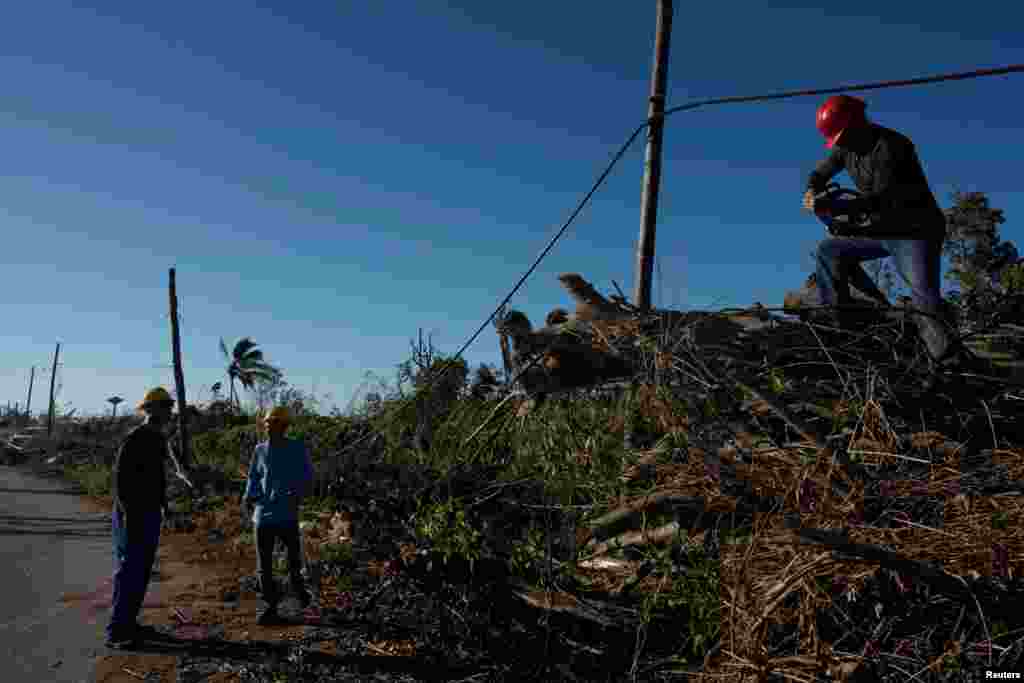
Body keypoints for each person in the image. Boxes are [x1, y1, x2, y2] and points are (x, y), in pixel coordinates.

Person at [802, 94, 970, 372]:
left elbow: (881, 199)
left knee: (923, 297)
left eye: (842, 136)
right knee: (829, 252)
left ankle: (949, 363)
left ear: (857, 123)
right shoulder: (846, 147)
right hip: (881, 229)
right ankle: (840, 332)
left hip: (915, 232)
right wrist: (812, 190)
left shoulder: (892, 146)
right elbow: (821, 172)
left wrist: (835, 206)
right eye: (837, 141)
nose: (841, 144)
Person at [105, 387, 176, 649]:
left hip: (148, 513)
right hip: (133, 514)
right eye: (164, 406)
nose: (169, 411)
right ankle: (117, 631)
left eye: (169, 406)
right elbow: (121, 479)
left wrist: (164, 505)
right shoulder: (137, 438)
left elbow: (157, 479)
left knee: (141, 571)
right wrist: (129, 514)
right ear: (149, 410)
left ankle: (128, 623)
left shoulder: (158, 439)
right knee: (130, 571)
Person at [243, 406, 314, 625]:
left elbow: (307, 476)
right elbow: (254, 477)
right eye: (268, 424)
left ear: (284, 426)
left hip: (287, 515)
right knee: (264, 565)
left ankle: (302, 598)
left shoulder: (297, 448)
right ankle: (270, 606)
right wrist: (249, 497)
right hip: (263, 516)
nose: (270, 427)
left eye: (274, 423)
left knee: (294, 563)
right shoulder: (260, 450)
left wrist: (297, 494)